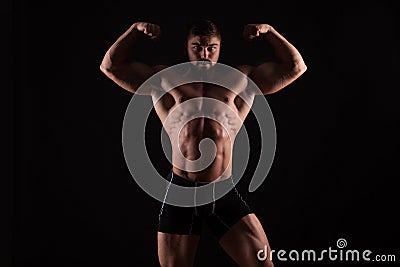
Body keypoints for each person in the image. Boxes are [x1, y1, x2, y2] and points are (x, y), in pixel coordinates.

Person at [100, 18, 307, 267]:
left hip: (221, 191)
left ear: (220, 47)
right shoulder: (165, 79)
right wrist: (134, 31)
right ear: (187, 47)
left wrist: (270, 32)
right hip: (180, 192)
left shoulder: (241, 79)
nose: (204, 54)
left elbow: (296, 67)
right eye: (197, 47)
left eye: (211, 48)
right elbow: (109, 67)